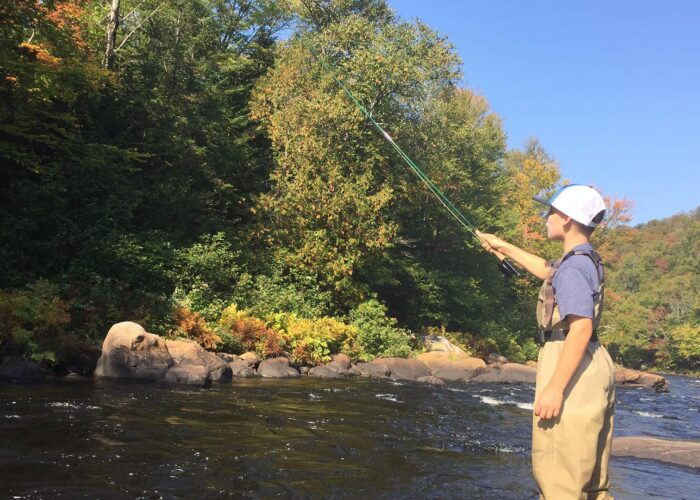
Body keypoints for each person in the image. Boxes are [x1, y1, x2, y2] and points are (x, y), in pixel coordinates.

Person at [477, 184, 616, 500]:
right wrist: (503, 246)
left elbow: (579, 329)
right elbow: (545, 270)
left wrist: (555, 388)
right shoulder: (582, 259)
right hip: (591, 361)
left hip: (571, 360)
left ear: (567, 219)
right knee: (592, 485)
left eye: (551, 212)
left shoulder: (574, 267)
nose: (546, 217)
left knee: (560, 484)